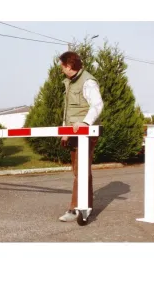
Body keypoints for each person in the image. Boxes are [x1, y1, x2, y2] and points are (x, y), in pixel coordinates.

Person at [58, 51, 104, 222]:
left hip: (86, 133)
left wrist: (85, 124)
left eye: (62, 66)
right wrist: (65, 132)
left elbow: (97, 105)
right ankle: (86, 205)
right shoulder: (70, 83)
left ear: (69, 66)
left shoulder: (88, 82)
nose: (61, 69)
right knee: (79, 170)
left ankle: (75, 209)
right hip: (73, 133)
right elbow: (68, 111)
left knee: (80, 170)